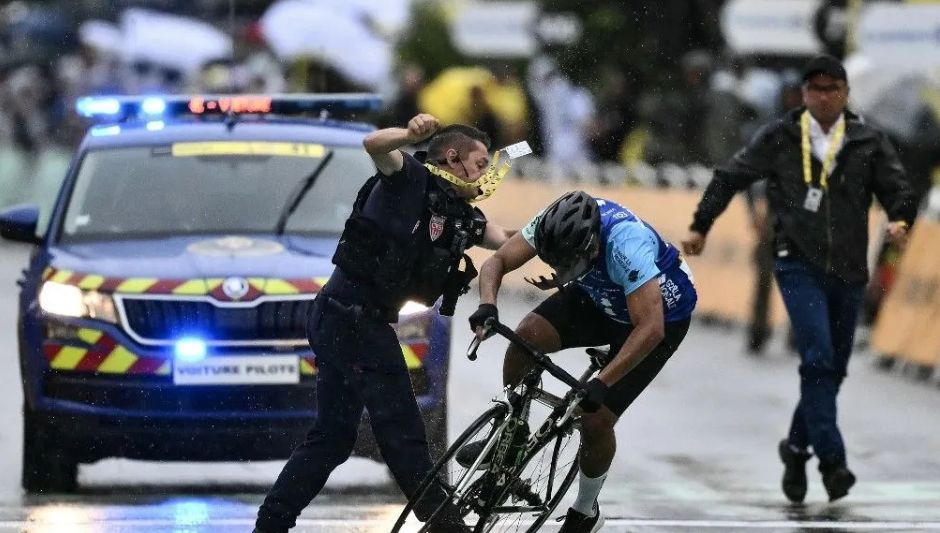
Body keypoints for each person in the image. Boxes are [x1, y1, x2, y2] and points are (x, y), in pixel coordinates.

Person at [253, 114, 516, 533]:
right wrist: (410, 134)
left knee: (333, 438)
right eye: (481, 163)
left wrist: (554, 236)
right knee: (404, 438)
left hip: (346, 321)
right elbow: (375, 144)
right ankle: (449, 527)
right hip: (351, 320)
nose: (486, 174)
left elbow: (507, 241)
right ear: (453, 158)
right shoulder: (407, 178)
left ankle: (270, 524)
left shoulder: (459, 214)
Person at [681, 55, 917, 503]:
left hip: (849, 268)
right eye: (815, 89)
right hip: (797, 263)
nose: (823, 97)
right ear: (803, 94)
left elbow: (898, 189)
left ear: (845, 93)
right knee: (818, 357)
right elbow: (731, 176)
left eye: (832, 89)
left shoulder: (868, 140)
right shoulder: (780, 137)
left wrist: (900, 219)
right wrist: (701, 224)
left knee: (833, 370)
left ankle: (794, 448)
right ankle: (832, 461)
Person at [464, 191, 697, 532]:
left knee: (595, 419)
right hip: (601, 295)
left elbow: (651, 328)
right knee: (526, 336)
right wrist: (488, 304)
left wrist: (602, 382)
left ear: (591, 246)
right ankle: (511, 435)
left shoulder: (627, 245)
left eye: (566, 265)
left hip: (655, 318)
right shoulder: (551, 224)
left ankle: (586, 510)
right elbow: (497, 261)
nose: (559, 271)